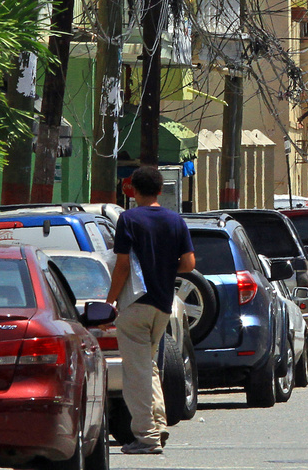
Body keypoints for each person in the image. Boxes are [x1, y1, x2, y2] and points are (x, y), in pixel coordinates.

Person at [106, 166, 196, 456]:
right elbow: (189, 264)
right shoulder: (175, 220)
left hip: (134, 304)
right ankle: (158, 424)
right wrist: (165, 268)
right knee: (149, 367)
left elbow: (122, 265)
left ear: (132, 190)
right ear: (160, 190)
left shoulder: (128, 219)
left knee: (136, 373)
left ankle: (146, 437)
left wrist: (109, 301)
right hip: (162, 304)